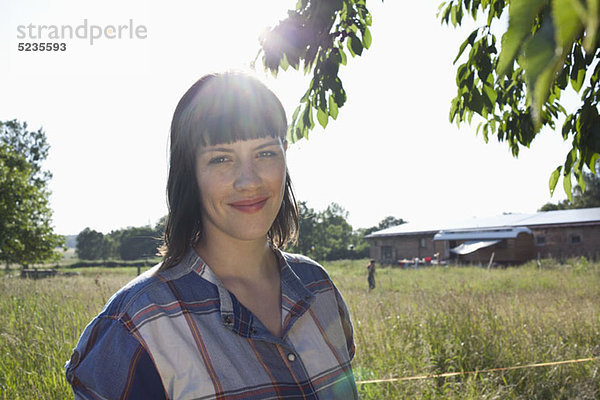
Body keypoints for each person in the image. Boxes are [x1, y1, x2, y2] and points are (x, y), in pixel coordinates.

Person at [64, 72, 358, 399]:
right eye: (221, 158)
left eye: (265, 153)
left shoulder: (319, 287)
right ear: (189, 172)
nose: (248, 181)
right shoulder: (136, 326)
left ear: (285, 156)